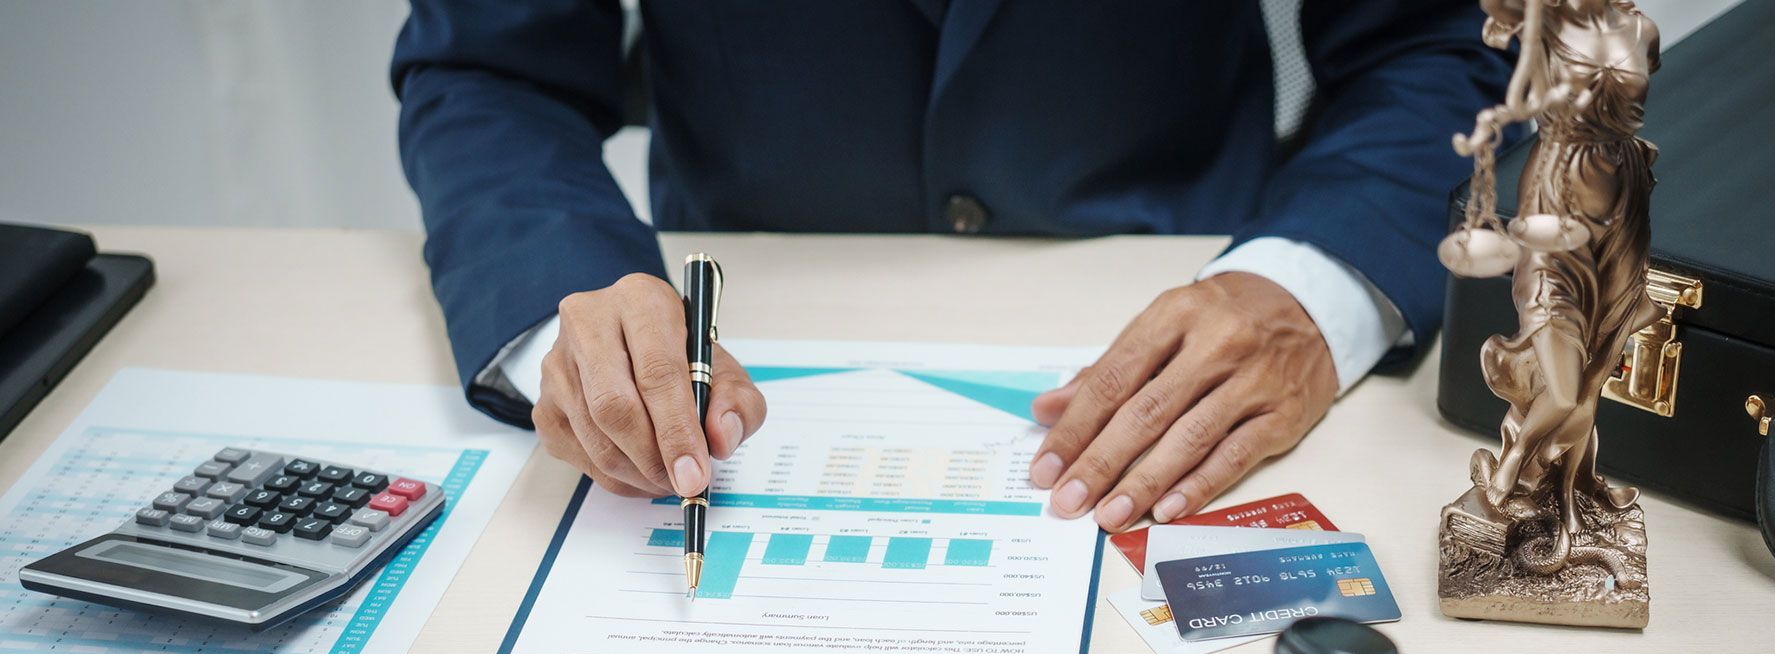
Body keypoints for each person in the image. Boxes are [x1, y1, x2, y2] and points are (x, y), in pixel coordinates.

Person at [392, 1, 1510, 532]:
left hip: (1190, 310)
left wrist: (1309, 291)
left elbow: (1442, 42)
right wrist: (561, 309)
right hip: (744, 315)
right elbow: (493, 74)